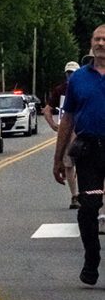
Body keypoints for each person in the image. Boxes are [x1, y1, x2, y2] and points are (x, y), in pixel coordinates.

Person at [53, 25, 105, 286]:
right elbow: (67, 120)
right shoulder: (79, 79)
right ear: (91, 43)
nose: (101, 43)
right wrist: (59, 158)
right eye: (97, 38)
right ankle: (92, 258)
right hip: (89, 150)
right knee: (89, 207)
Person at [44, 61, 80, 207]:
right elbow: (47, 109)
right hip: (68, 130)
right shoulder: (60, 90)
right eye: (69, 73)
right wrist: (53, 125)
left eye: (73, 73)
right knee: (68, 163)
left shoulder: (84, 87)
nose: (70, 76)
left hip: (85, 129)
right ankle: (75, 196)